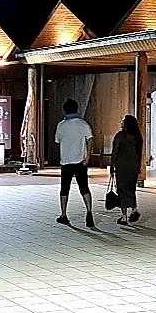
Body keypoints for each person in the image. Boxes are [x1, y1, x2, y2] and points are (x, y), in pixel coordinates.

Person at [54, 98, 95, 228]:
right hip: (80, 161)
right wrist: (87, 157)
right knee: (84, 187)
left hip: (66, 161)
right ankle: (89, 212)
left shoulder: (61, 125)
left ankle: (64, 215)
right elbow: (90, 140)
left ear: (64, 110)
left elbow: (58, 140)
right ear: (77, 109)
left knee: (64, 189)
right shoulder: (83, 124)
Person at [110, 114, 143, 226]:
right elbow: (139, 154)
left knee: (122, 191)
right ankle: (134, 209)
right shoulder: (138, 137)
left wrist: (112, 166)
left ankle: (124, 217)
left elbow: (115, 152)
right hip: (133, 167)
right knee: (131, 189)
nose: (121, 122)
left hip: (121, 167)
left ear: (126, 124)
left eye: (123, 121)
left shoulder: (120, 136)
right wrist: (138, 167)